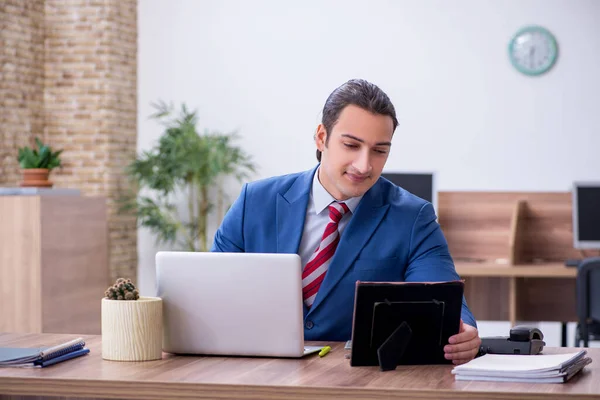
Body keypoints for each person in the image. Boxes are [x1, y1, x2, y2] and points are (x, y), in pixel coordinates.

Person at [211, 78, 481, 364]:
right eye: (351, 145)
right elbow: (212, 290)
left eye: (379, 151)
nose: (364, 165)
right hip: (256, 368)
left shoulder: (413, 217)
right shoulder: (255, 201)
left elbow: (442, 300)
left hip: (354, 379)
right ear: (321, 137)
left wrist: (463, 332)